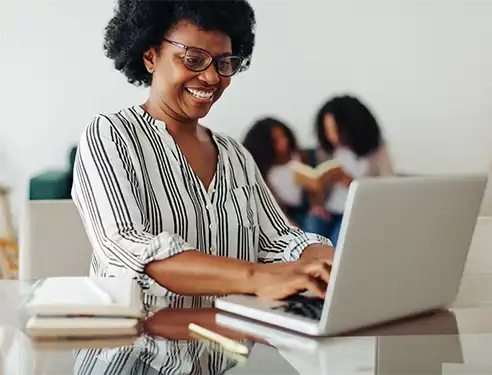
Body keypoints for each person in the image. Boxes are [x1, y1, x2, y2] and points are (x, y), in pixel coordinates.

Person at [71, 0, 335, 308]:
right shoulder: (110, 135)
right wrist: (257, 276)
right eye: (193, 59)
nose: (212, 78)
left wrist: (341, 264)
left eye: (223, 63)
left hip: (227, 348)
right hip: (135, 345)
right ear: (150, 56)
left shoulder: (235, 156)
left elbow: (280, 240)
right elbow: (130, 249)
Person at [304, 95, 394, 245]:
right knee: (311, 229)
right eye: (328, 131)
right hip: (329, 208)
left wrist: (350, 182)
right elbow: (318, 185)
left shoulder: (377, 149)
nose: (332, 136)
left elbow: (388, 186)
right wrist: (316, 205)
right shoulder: (327, 150)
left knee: (337, 242)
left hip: (357, 211)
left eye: (336, 130)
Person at [242, 117, 309, 228]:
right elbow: (270, 206)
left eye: (284, 136)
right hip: (282, 215)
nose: (284, 141)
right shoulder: (260, 170)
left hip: (306, 210)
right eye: (276, 139)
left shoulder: (300, 156)